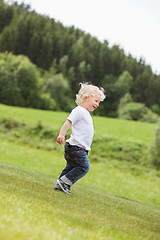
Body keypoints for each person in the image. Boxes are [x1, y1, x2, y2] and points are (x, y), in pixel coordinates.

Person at [54, 82, 106, 195]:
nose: (97, 104)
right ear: (86, 98)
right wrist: (62, 134)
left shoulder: (85, 113)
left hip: (78, 148)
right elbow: (68, 122)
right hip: (76, 148)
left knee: (71, 167)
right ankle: (64, 183)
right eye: (96, 101)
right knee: (84, 167)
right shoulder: (79, 111)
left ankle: (60, 184)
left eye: (99, 102)